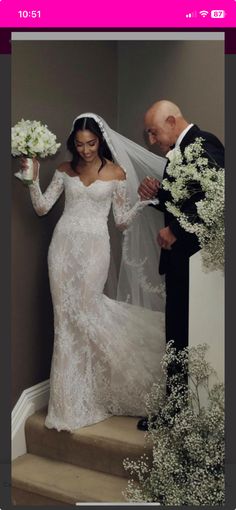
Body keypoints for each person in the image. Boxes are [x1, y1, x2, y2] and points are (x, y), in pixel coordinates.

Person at [18, 113, 167, 432]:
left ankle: (110, 385)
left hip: (95, 250)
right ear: (74, 143)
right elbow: (43, 208)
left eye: (92, 143)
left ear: (101, 141)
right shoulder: (63, 170)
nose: (85, 150)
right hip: (61, 249)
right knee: (65, 321)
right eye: (80, 144)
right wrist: (32, 181)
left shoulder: (116, 172)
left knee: (87, 314)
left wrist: (141, 203)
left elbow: (121, 221)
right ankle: (68, 404)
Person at [137, 100, 224, 431]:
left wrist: (175, 229)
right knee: (177, 336)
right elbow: (189, 198)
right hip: (180, 263)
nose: (152, 140)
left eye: (153, 132)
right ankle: (175, 411)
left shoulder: (203, 144)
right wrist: (158, 196)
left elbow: (219, 196)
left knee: (186, 337)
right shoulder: (179, 150)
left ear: (172, 121)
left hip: (197, 266)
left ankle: (188, 413)